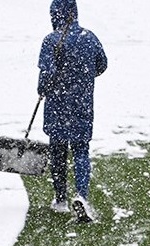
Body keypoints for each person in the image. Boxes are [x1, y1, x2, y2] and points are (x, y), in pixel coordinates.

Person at [37, 0, 107, 223]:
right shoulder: (89, 37)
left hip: (57, 105)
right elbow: (102, 64)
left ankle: (60, 199)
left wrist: (43, 89)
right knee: (81, 150)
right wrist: (83, 78)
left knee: (57, 151)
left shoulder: (51, 40)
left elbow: (45, 73)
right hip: (82, 103)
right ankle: (82, 195)